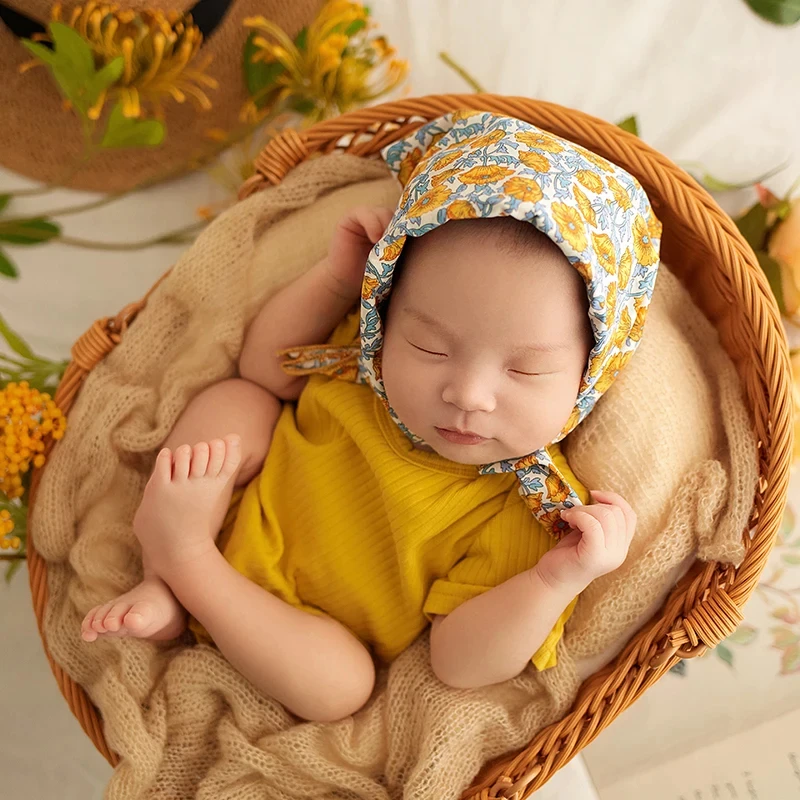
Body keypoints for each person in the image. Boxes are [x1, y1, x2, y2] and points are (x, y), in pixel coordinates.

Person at [80, 110, 661, 724]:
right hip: (223, 503)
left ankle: (184, 566)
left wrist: (555, 581)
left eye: (525, 372)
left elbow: (457, 663)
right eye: (430, 348)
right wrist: (334, 279)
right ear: (386, 312)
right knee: (238, 403)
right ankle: (162, 586)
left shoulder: (527, 509)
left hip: (296, 631)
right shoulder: (369, 368)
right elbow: (265, 367)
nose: (467, 394)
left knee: (344, 687)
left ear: (591, 375)